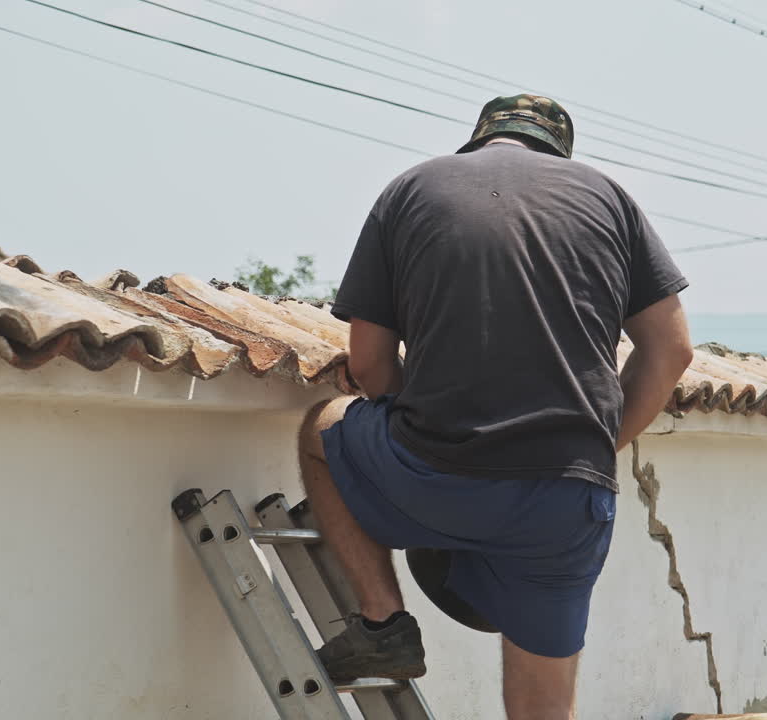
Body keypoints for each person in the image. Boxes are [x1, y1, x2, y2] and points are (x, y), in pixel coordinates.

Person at [296, 94, 694, 720]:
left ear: (482, 138)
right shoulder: (611, 199)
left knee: (321, 428)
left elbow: (368, 363)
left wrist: (414, 427)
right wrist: (597, 444)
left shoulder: (410, 189)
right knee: (544, 711)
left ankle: (382, 624)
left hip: (432, 471)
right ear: (557, 148)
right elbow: (671, 352)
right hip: (567, 497)